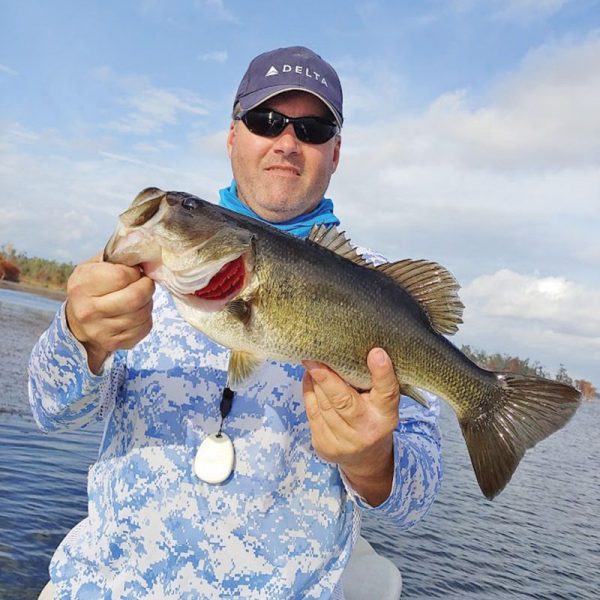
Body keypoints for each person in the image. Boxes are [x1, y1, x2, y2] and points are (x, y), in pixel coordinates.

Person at [29, 46, 442, 599]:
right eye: (265, 120)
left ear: (336, 152)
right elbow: (52, 410)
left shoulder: (381, 294)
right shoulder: (152, 268)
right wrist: (80, 338)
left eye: (313, 127)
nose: (287, 142)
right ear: (231, 136)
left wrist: (373, 460)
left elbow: (417, 497)